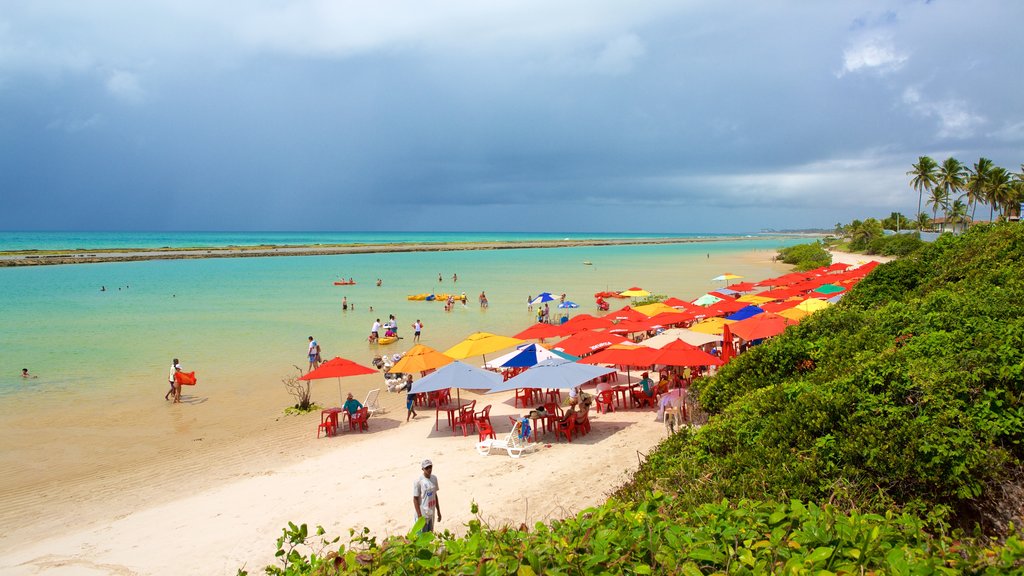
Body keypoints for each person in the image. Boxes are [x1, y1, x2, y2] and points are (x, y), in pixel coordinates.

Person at [413, 459, 441, 533]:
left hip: (431, 513)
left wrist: (438, 511)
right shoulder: (418, 481)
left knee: (429, 535)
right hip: (423, 514)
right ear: (422, 469)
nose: (429, 469)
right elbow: (415, 499)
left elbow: (435, 495)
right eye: (426, 468)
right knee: (421, 537)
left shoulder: (434, 478)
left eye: (430, 467)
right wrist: (419, 515)